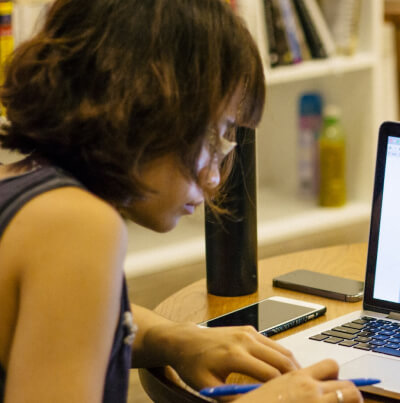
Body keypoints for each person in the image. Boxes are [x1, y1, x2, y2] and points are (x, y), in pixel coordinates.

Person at [0, 0, 361, 402]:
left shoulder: (19, 185)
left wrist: (175, 339)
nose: (212, 178)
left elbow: (61, 325)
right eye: (214, 136)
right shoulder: (78, 226)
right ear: (148, 105)